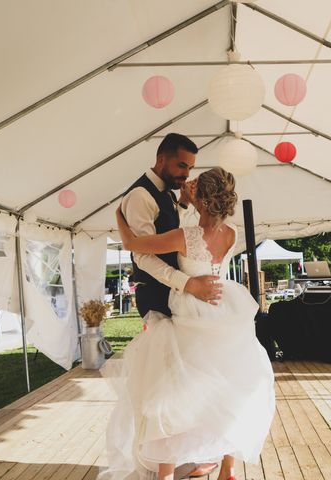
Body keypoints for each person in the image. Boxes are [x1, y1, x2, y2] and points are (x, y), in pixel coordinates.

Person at [102, 167, 275, 480]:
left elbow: (134, 245)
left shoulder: (186, 236)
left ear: (204, 201)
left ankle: (166, 473)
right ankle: (228, 469)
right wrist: (188, 204)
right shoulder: (232, 233)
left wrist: (119, 218)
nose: (188, 185)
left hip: (194, 314)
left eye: (196, 187)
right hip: (226, 310)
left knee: (172, 391)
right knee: (227, 387)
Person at [98, 133, 221, 480]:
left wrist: (182, 204)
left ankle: (178, 459)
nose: (186, 173)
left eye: (190, 167)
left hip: (174, 295)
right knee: (163, 385)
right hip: (158, 295)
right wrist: (189, 284)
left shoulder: (166, 194)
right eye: (182, 165)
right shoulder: (140, 195)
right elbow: (143, 255)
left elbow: (170, 234)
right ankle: (159, 465)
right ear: (162, 158)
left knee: (180, 380)